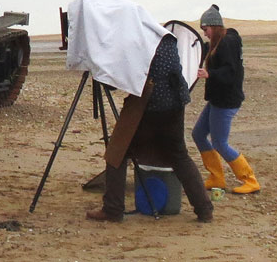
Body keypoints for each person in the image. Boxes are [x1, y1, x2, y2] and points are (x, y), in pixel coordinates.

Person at [86, 34, 214, 223]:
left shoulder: (138, 42)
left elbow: (116, 81)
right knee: (179, 156)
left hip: (149, 105)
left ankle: (113, 208)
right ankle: (204, 209)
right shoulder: (167, 39)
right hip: (174, 105)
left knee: (117, 153)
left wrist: (99, 69)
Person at [192, 5, 260, 194]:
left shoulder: (228, 43)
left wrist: (209, 74)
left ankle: (249, 179)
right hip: (216, 99)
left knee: (220, 143)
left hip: (226, 101)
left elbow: (230, 73)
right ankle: (216, 177)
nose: (205, 34)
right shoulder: (217, 42)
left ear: (213, 26)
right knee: (198, 134)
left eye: (205, 30)